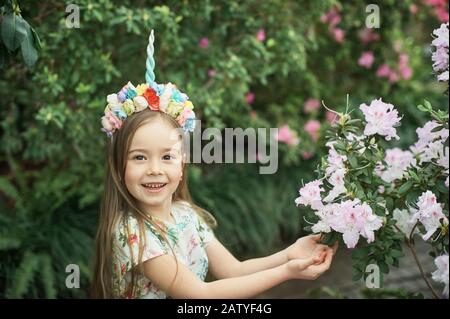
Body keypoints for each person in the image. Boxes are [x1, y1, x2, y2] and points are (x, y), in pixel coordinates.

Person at [91, 30, 337, 299]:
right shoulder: (131, 232)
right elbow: (200, 294)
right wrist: (287, 272)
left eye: (167, 156)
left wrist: (288, 254)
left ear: (183, 162)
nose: (154, 169)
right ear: (118, 164)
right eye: (139, 157)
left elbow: (233, 270)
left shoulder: (186, 215)